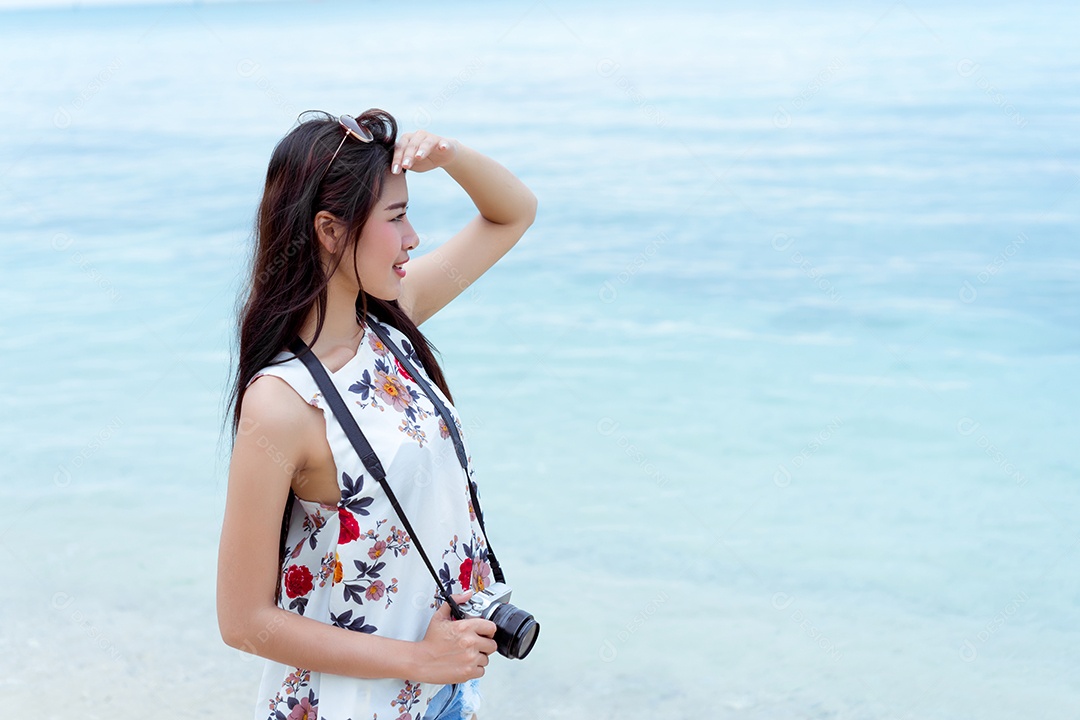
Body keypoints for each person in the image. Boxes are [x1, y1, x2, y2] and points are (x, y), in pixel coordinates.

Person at [217, 109, 537, 720]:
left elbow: (513, 212)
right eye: (395, 217)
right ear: (330, 232)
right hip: (353, 704)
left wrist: (449, 156)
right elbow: (243, 621)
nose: (413, 237)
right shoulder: (282, 403)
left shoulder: (390, 325)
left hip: (442, 692)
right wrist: (416, 659)